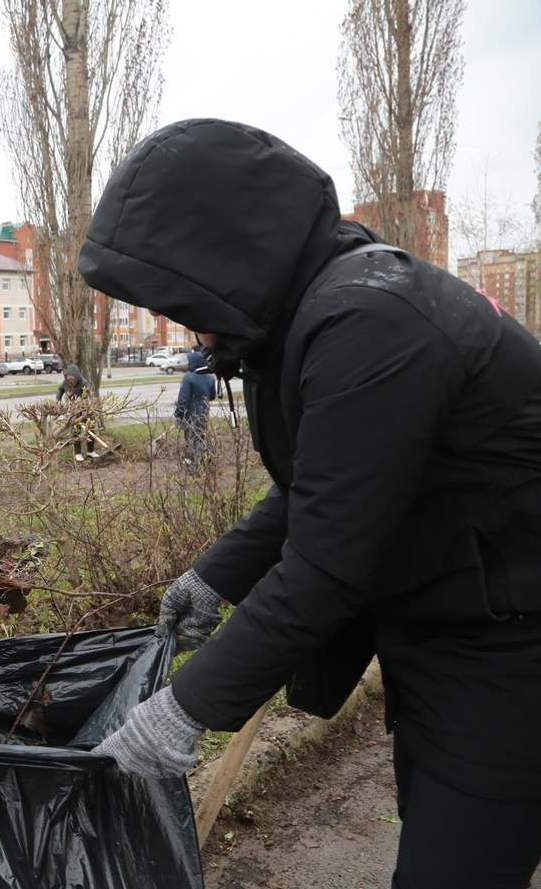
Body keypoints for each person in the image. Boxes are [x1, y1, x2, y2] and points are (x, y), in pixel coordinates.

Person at [80, 119, 541, 888]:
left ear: (221, 254)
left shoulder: (370, 322)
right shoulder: (311, 309)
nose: (173, 319)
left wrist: (183, 709)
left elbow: (327, 562)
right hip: (452, 619)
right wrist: (213, 576)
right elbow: (320, 485)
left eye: (170, 291)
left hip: (510, 647)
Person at [172, 348, 214, 462]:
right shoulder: (210, 377)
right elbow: (213, 396)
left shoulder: (188, 378)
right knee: (202, 434)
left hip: (191, 412)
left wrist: (178, 414)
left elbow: (183, 400)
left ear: (193, 363)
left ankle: (197, 463)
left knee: (193, 437)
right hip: (204, 410)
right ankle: (208, 456)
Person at [56, 363, 97, 463]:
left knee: (90, 428)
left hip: (85, 410)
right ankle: (77, 453)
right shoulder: (65, 383)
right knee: (76, 430)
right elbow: (60, 389)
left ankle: (90, 451)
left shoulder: (84, 383)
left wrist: (87, 406)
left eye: (73, 380)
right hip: (73, 410)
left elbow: (89, 396)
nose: (71, 383)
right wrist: (58, 400)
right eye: (69, 381)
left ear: (77, 377)